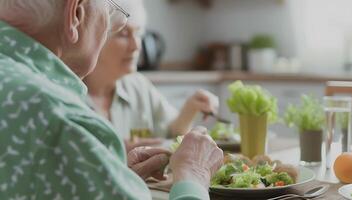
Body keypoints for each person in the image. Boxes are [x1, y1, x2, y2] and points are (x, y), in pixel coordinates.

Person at [0, 0, 223, 199]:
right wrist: (194, 176)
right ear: (75, 13)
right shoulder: (65, 121)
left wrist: (108, 172)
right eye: (109, 13)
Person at [83, 0, 219, 151]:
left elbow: (172, 133)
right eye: (123, 34)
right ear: (96, 38)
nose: (136, 46)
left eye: (138, 33)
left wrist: (190, 108)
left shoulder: (139, 86)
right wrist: (118, 151)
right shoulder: (71, 95)